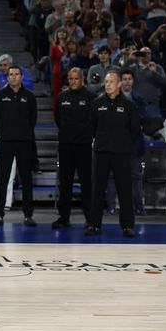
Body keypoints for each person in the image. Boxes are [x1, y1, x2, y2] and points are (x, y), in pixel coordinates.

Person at [87, 72, 141, 237]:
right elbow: (92, 126)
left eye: (112, 81)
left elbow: (135, 130)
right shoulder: (97, 103)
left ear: (119, 84)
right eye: (106, 81)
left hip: (121, 154)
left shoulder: (129, 105)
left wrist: (123, 144)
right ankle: (94, 225)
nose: (108, 84)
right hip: (101, 153)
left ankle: (127, 226)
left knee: (125, 190)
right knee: (97, 190)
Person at [0, 65, 38, 227]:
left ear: (22, 77)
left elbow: (33, 120)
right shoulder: (0, 95)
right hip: (6, 142)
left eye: (17, 74)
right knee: (2, 179)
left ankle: (28, 215)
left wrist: (24, 134)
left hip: (24, 142)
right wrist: (2, 134)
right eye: (11, 74)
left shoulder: (29, 96)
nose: (14, 77)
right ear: (7, 77)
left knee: (26, 179)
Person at [53, 68, 97, 228]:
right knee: (65, 183)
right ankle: (64, 217)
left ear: (82, 79)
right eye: (70, 78)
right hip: (65, 146)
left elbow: (95, 121)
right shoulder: (61, 97)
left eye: (76, 78)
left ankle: (90, 218)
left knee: (87, 183)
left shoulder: (91, 97)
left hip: (84, 147)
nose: (72, 81)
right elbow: (57, 118)